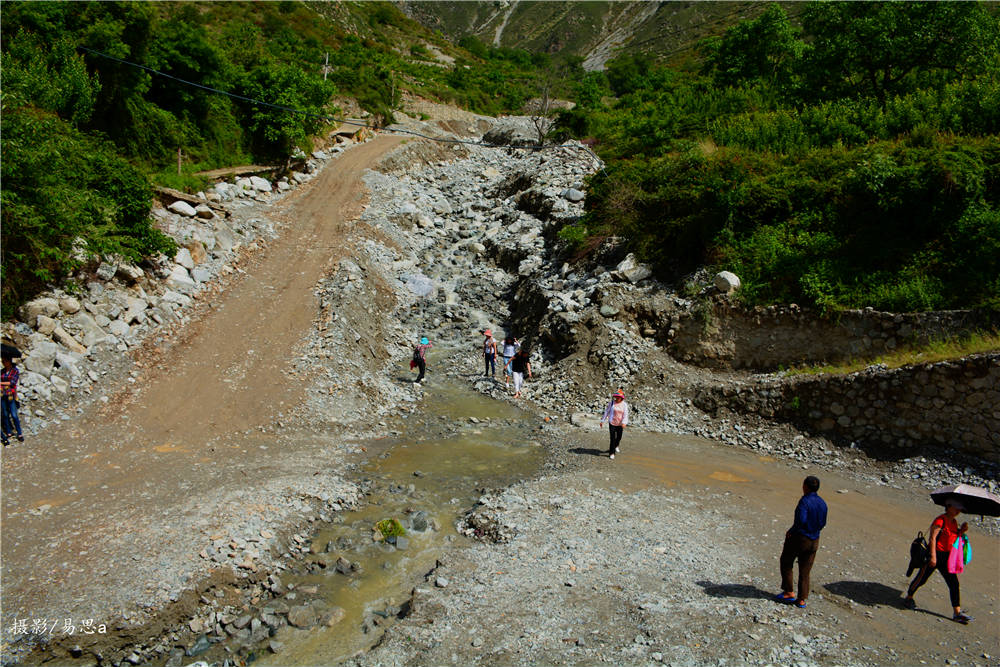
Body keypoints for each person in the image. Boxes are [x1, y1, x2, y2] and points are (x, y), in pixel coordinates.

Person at [903, 498, 972, 623]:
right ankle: (909, 597)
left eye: (959, 509)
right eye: (956, 508)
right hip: (934, 554)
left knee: (954, 584)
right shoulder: (940, 520)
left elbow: (953, 538)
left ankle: (957, 612)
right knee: (922, 578)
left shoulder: (954, 522)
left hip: (947, 557)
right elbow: (932, 539)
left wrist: (961, 531)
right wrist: (933, 556)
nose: (958, 511)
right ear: (948, 506)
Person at [775, 476, 828, 608]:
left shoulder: (804, 501)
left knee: (786, 562)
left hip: (800, 538)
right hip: (814, 539)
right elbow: (823, 523)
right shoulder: (822, 503)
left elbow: (801, 520)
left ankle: (788, 591)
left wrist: (791, 531)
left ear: (805, 486)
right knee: (805, 571)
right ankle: (802, 599)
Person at [599, 389, 629, 460]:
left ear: (621, 398)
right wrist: (602, 420)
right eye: (616, 397)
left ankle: (616, 445)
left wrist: (624, 422)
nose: (617, 398)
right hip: (612, 423)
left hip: (620, 424)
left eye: (618, 397)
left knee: (619, 437)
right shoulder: (612, 403)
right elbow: (607, 411)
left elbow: (625, 414)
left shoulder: (624, 405)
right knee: (612, 438)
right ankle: (612, 453)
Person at [1, 354, 24, 446]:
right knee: (5, 414)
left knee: (14, 415)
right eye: (2, 361)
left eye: (5, 361)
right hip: (2, 394)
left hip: (11, 395)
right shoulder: (2, 371)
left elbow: (12, 382)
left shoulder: (15, 371)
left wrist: (1, 383)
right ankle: (9, 431)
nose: (3, 363)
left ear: (9, 362)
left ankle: (19, 432)